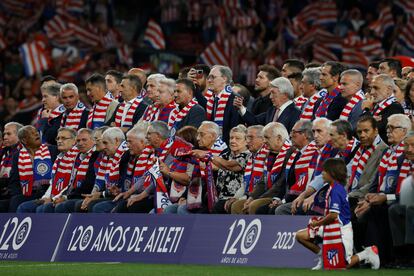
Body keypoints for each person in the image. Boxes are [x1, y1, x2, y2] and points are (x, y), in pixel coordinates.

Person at [296, 158, 380, 270]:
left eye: (324, 171)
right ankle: (323, 257)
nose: (322, 173)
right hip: (329, 226)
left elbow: (333, 216)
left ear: (332, 173)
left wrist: (317, 224)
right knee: (300, 236)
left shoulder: (336, 191)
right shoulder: (330, 188)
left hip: (341, 229)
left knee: (343, 265)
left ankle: (367, 253)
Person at [354, 114, 411, 266]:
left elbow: (399, 187)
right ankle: (359, 254)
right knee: (358, 208)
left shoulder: (405, 156)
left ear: (405, 131)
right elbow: (375, 183)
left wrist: (382, 198)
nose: (388, 131)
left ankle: (382, 257)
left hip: (396, 199)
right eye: (387, 128)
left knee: (378, 210)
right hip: (383, 197)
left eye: (392, 128)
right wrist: (368, 198)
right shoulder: (388, 153)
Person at [16, 127, 77, 213]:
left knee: (43, 208)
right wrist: (45, 198)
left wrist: (54, 198)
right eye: (58, 138)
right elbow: (53, 183)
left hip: (66, 196)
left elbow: (71, 183)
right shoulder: (59, 158)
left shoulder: (77, 157)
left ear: (74, 141)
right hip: (51, 195)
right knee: (24, 207)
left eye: (63, 138)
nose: (59, 141)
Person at [76, 127, 128, 212]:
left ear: (116, 141)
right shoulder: (108, 156)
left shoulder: (125, 155)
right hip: (110, 195)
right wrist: (93, 196)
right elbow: (100, 183)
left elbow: (121, 186)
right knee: (81, 204)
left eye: (105, 143)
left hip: (122, 196)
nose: (103, 146)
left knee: (96, 206)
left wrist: (100, 194)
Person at [8, 126, 58, 212]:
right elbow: (14, 180)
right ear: (24, 140)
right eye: (31, 133)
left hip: (48, 190)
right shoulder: (18, 156)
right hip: (29, 192)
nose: (36, 134)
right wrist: (18, 194)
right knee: (15, 200)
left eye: (36, 131)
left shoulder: (52, 150)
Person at [54, 128, 100, 213]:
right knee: (48, 206)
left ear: (93, 141)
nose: (80, 143)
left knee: (63, 206)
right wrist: (61, 196)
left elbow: (88, 183)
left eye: (84, 140)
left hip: (85, 194)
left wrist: (67, 197)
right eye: (78, 140)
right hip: (75, 194)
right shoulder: (78, 157)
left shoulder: (95, 155)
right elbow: (72, 183)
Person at [388, 131, 414, 267]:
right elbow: (394, 188)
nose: (409, 149)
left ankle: (411, 254)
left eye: (413, 146)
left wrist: (385, 197)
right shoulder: (401, 161)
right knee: (393, 209)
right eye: (406, 146)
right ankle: (400, 255)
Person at [202, 65, 240, 144]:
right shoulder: (211, 99)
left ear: (224, 79)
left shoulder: (234, 98)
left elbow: (234, 126)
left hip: (227, 145)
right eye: (209, 77)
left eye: (213, 77)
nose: (209, 80)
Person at [362, 74, 404, 144]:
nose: (372, 92)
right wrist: (373, 120)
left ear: (389, 89)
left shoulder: (395, 108)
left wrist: (366, 110)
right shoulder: (376, 106)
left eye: (376, 88)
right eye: (371, 88)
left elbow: (368, 130)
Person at [0, 122, 23, 212]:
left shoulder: (23, 152)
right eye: (4, 134)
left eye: (8, 134)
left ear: (19, 135)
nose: (5, 137)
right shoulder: (5, 152)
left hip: (16, 192)